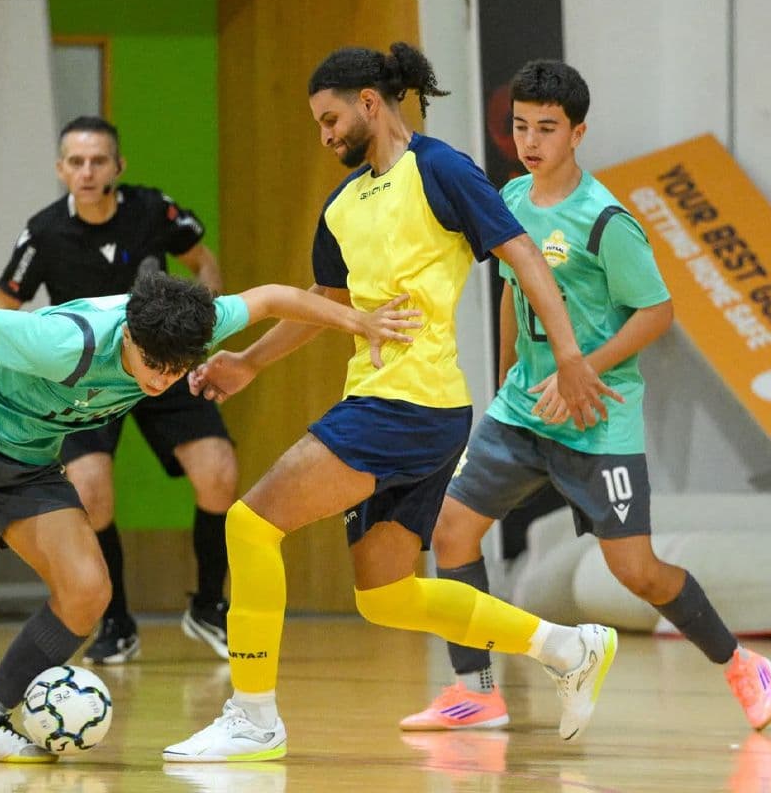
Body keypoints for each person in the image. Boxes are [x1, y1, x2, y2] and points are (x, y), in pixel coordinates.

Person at [162, 43, 625, 764]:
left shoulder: (439, 169)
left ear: (370, 103)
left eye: (329, 118)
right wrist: (249, 362)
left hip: (407, 404)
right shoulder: (343, 206)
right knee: (385, 595)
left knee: (250, 524)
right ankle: (567, 647)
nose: (324, 136)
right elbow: (324, 302)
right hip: (401, 408)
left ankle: (253, 717)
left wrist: (568, 356)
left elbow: (523, 256)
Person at [0, 271, 419, 763]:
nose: (162, 380)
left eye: (177, 368)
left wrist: (359, 323)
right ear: (130, 336)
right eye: (152, 366)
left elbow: (276, 296)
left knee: (88, 593)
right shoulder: (65, 342)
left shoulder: (191, 323)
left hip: (29, 458)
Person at [399, 59, 771, 734]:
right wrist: (506, 382)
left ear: (578, 132)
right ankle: (477, 691)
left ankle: (740, 664)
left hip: (597, 419)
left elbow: (656, 312)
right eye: (521, 127)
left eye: (547, 128)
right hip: (522, 411)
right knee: (452, 532)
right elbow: (514, 294)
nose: (531, 141)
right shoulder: (511, 199)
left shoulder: (608, 221)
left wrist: (586, 368)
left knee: (636, 572)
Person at [0, 115, 235, 664]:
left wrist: (199, 331)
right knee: (91, 491)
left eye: (98, 160)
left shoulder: (154, 211)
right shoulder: (43, 233)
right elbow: (0, 312)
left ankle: (208, 606)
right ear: (61, 169)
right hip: (87, 380)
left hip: (161, 361)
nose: (86, 170)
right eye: (75, 162)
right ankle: (118, 621)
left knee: (219, 473)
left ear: (117, 167)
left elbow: (202, 261)